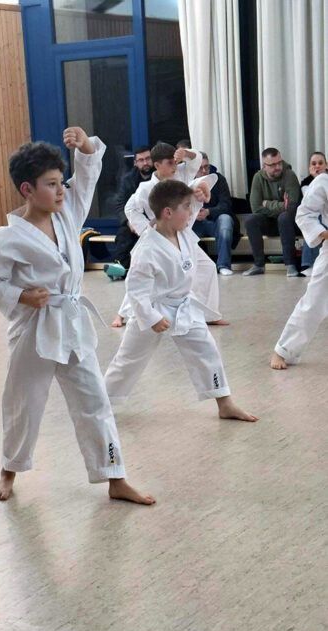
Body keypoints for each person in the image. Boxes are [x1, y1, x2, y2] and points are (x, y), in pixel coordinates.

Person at [0, 127, 155, 505]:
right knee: (24, 401)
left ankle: (114, 476)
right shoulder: (6, 238)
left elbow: (87, 174)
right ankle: (9, 470)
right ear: (26, 189)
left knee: (94, 401)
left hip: (72, 322)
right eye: (51, 184)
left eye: (61, 182)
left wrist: (86, 145)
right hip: (33, 330)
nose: (61, 190)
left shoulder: (67, 213)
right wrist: (22, 295)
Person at [105, 179, 258, 424]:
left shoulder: (181, 229)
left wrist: (199, 188)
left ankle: (225, 402)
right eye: (186, 208)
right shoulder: (146, 249)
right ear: (168, 213)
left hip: (184, 305)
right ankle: (101, 404)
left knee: (207, 351)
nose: (192, 212)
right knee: (129, 359)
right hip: (154, 308)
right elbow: (135, 290)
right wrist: (150, 318)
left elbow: (193, 199)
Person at [112, 141, 226, 327]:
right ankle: (122, 314)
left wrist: (185, 153)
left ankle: (209, 316)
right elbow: (130, 208)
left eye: (175, 162)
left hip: (183, 236)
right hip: (159, 238)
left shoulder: (181, 173)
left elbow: (196, 160)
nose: (175, 166)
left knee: (207, 268)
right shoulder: (146, 188)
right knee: (145, 276)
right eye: (170, 163)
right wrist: (146, 231)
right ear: (157, 165)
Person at [270, 172, 328, 370]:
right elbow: (304, 213)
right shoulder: (323, 182)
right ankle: (284, 350)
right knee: (315, 301)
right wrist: (322, 232)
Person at [244, 147, 301, 277]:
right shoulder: (258, 178)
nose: (278, 167)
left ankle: (290, 264)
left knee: (285, 217)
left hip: (290, 223)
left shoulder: (289, 175)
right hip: (269, 223)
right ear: (264, 166)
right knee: (251, 220)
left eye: (279, 162)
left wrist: (268, 204)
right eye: (273, 164)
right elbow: (256, 208)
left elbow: (292, 207)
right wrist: (281, 206)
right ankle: (258, 265)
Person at [104, 146, 153, 281]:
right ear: (135, 163)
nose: (145, 163)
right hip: (134, 221)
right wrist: (128, 221)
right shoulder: (128, 180)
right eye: (141, 160)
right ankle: (119, 268)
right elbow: (120, 204)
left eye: (148, 159)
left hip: (155, 221)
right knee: (123, 235)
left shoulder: (158, 177)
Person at [192, 152, 241, 276]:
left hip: (214, 221)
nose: (204, 171)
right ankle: (191, 266)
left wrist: (208, 211)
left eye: (206, 167)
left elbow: (226, 205)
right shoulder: (186, 181)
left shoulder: (218, 179)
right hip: (194, 223)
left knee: (225, 220)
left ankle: (223, 265)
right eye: (200, 168)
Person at [300, 151, 327, 276]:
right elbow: (311, 202)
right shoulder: (306, 182)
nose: (317, 166)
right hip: (319, 216)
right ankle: (309, 263)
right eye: (314, 164)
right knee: (313, 223)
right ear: (309, 167)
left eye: (320, 163)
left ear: (326, 165)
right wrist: (317, 179)